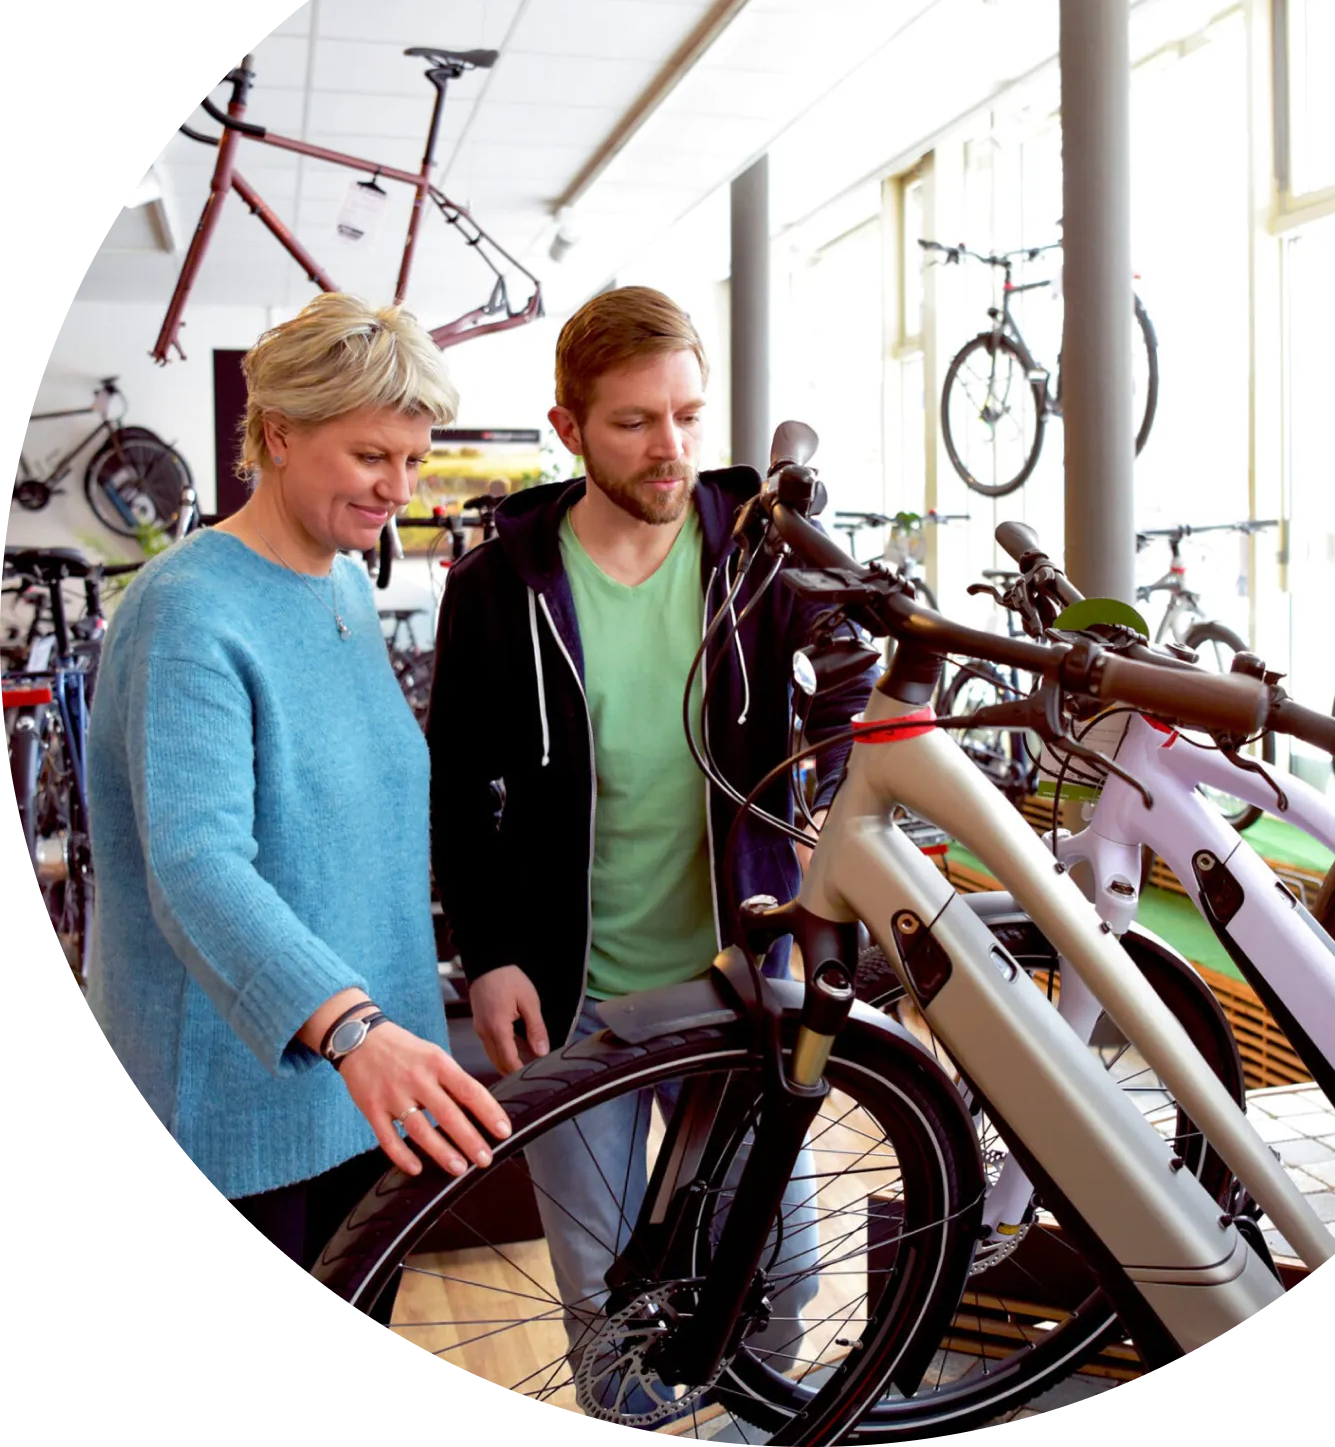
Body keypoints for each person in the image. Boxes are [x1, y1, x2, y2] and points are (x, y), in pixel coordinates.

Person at [426, 285, 877, 1401]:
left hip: (740, 982)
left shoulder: (758, 555)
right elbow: (455, 790)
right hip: (570, 995)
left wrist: (827, 777)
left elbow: (854, 669)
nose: (669, 447)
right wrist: (485, 956)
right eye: (634, 421)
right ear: (569, 428)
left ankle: (761, 1437)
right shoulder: (499, 587)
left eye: (687, 413)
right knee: (604, 1300)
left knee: (781, 1269)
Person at [85, 291, 510, 1285]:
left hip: (370, 1090)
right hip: (241, 1116)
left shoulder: (344, 584)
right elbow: (194, 866)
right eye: (373, 456)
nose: (398, 486)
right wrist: (354, 1028)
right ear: (277, 433)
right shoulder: (188, 608)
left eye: (412, 458)